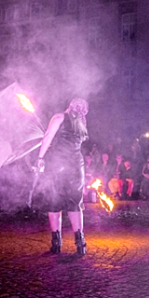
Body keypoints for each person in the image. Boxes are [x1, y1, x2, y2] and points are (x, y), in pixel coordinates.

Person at [36, 98, 89, 255]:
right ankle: (80, 244)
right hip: (77, 166)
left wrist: (40, 158)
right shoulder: (81, 123)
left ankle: (56, 244)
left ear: (70, 105)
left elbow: (47, 138)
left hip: (58, 165)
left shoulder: (59, 117)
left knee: (54, 204)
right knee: (75, 204)